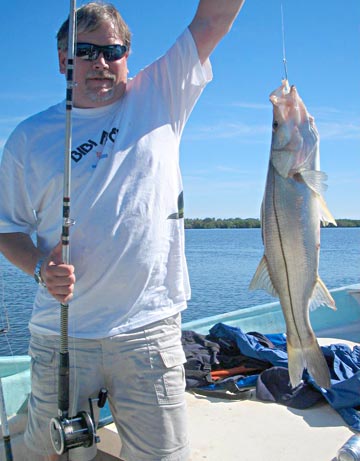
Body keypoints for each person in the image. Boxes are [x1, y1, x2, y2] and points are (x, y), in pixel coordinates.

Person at [0, 1, 246, 460]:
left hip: (149, 331)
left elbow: (214, 18)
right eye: (85, 50)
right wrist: (38, 266)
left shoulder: (161, 94)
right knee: (47, 453)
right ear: (61, 60)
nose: (100, 63)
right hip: (61, 337)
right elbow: (6, 227)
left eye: (111, 50)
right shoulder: (29, 139)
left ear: (127, 56)